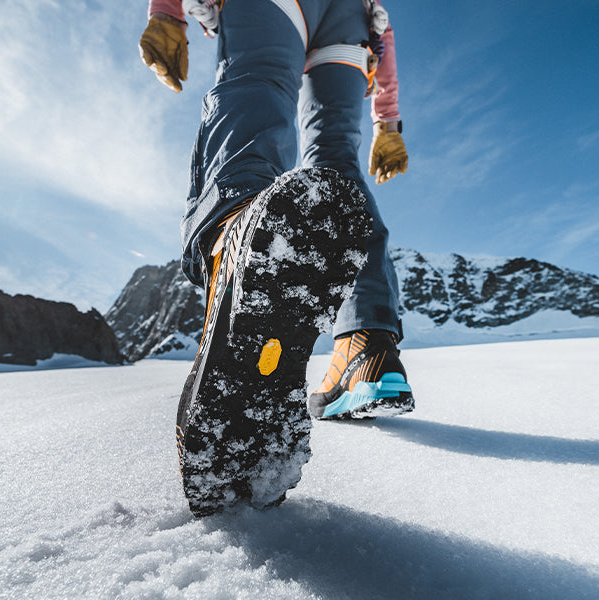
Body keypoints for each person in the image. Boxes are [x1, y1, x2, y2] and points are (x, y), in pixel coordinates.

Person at [136, 1, 415, 515]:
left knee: (256, 87)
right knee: (336, 159)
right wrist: (389, 123)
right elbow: (386, 31)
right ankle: (365, 347)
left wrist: (168, 11)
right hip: (351, 19)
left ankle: (236, 239)